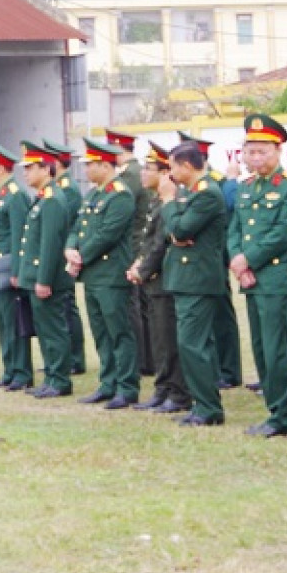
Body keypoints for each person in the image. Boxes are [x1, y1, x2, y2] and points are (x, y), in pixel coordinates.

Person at [229, 113, 287, 438]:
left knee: (276, 349)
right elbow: (235, 227)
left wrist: (249, 259)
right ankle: (274, 409)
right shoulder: (246, 187)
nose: (255, 157)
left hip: (276, 279)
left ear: (278, 152)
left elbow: (284, 233)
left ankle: (286, 415)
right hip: (250, 280)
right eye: (250, 151)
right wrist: (238, 260)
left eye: (263, 151)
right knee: (261, 349)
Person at [67, 138, 139, 409]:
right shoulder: (94, 194)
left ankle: (127, 386)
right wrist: (70, 248)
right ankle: (108, 383)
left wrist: (80, 255)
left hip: (111, 274)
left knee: (119, 331)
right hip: (93, 274)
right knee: (101, 332)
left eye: (90, 165)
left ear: (104, 165)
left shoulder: (119, 195)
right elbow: (77, 227)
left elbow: (107, 234)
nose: (86, 170)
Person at [164, 140, 230, 428]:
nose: (170, 175)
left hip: (198, 280)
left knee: (192, 345)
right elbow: (177, 232)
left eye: (173, 168)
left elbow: (180, 228)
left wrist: (168, 203)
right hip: (187, 279)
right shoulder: (190, 192)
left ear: (187, 166)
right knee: (194, 343)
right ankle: (204, 404)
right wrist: (176, 228)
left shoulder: (207, 194)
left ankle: (208, 407)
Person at [128, 143, 189, 414]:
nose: (142, 174)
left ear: (166, 173)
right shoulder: (155, 199)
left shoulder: (171, 199)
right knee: (159, 338)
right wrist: (138, 264)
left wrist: (142, 269)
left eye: (149, 169)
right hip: (153, 277)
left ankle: (176, 392)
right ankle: (162, 388)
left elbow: (162, 242)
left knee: (168, 338)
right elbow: (148, 241)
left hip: (164, 277)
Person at [181, 131, 244, 392]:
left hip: (214, 254)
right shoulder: (192, 187)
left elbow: (230, 208)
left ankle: (229, 369)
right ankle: (218, 367)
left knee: (221, 315)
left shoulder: (215, 184)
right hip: (201, 253)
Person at [16, 142, 76, 399]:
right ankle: (52, 376)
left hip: (47, 278)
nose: (26, 174)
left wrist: (43, 280)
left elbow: (50, 244)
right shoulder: (42, 197)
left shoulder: (52, 200)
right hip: (37, 277)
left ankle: (60, 379)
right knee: (44, 329)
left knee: (53, 330)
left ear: (45, 170)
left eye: (30, 168)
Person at [0, 140, 35, 392]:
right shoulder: (0, 193)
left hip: (7, 268)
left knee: (14, 322)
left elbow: (19, 236)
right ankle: (11, 369)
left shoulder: (15, 194)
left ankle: (22, 372)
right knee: (4, 322)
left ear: (1, 167)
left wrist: (16, 271)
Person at [105, 129, 157, 381]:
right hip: (139, 244)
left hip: (134, 246)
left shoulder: (129, 176)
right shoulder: (135, 173)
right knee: (143, 306)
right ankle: (148, 358)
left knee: (134, 307)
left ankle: (142, 359)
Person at [42, 139, 87, 376]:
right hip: (61, 252)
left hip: (64, 254)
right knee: (64, 306)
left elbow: (66, 224)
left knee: (67, 306)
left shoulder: (67, 188)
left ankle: (75, 357)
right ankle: (66, 356)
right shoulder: (58, 186)